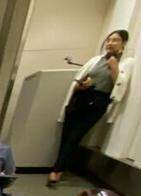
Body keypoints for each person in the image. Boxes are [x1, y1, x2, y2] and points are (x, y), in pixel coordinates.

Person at [49, 30, 132, 187]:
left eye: (115, 40)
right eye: (108, 40)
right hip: (81, 97)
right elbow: (79, 79)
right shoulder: (96, 60)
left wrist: (114, 67)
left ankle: (57, 170)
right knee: (66, 135)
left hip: (98, 101)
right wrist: (83, 85)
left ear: (123, 43)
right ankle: (60, 167)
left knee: (76, 135)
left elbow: (119, 86)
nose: (110, 43)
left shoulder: (125, 63)